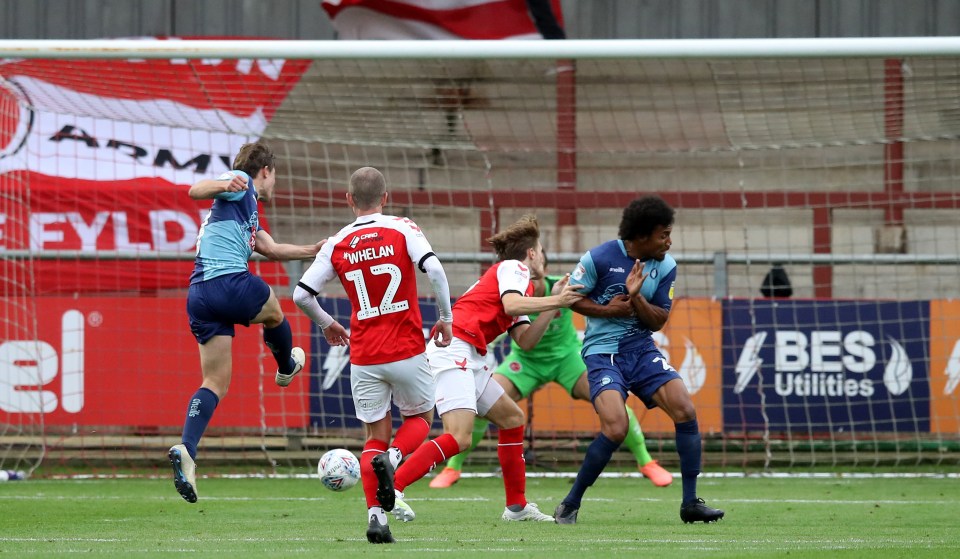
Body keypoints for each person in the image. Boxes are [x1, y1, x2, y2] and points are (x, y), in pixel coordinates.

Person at [371, 215, 584, 524]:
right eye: (540, 250)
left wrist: (554, 305)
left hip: (471, 356)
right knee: (459, 437)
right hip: (454, 350)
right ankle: (396, 487)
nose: (542, 259)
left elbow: (525, 341)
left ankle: (517, 507)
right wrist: (556, 297)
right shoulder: (514, 269)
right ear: (533, 253)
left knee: (512, 419)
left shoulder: (511, 280)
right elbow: (511, 306)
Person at [292, 167, 454, 545]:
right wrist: (446, 318)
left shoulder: (337, 242)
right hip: (406, 348)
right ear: (385, 197)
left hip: (364, 355)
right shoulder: (403, 228)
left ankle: (377, 519)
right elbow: (436, 270)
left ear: (349, 200)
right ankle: (395, 462)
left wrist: (328, 324)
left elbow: (301, 295)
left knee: (372, 439)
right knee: (419, 419)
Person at [429, 252, 673, 489]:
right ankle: (454, 467)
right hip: (526, 361)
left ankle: (646, 461)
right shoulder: (511, 293)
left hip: (566, 358)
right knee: (481, 403)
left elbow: (593, 298)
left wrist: (613, 303)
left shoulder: (563, 288)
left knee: (610, 398)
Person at [554, 195, 724, 525]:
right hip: (603, 354)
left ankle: (690, 502)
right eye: (663, 235)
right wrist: (608, 310)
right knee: (616, 428)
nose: (669, 242)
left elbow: (659, 319)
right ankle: (570, 503)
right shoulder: (598, 259)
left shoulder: (666, 265)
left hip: (642, 351)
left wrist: (634, 298)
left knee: (685, 410)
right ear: (642, 236)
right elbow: (569, 298)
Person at [169, 141, 324, 504]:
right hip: (227, 281)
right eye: (275, 178)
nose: (274, 186)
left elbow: (269, 249)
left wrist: (313, 250)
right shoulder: (241, 182)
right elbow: (195, 190)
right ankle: (286, 366)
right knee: (276, 311)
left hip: (200, 295)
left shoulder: (248, 213)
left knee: (215, 382)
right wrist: (227, 183)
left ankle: (187, 449)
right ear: (265, 171)